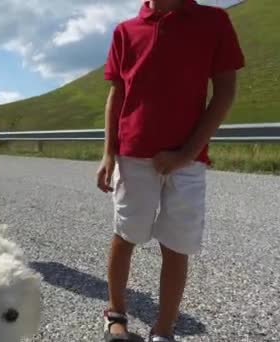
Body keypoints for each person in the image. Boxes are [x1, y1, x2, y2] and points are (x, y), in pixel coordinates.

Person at [96, 0, 244, 341]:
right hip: (133, 156)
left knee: (177, 245)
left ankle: (163, 329)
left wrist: (185, 153)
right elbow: (116, 94)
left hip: (188, 162)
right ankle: (115, 316)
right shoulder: (125, 31)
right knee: (126, 234)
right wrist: (108, 154)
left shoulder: (214, 21)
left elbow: (225, 91)